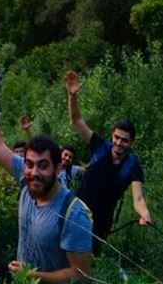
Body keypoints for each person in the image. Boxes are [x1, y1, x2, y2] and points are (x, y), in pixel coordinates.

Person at [0, 70, 93, 284]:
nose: (34, 172)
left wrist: (33, 277)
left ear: (57, 168)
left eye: (43, 166)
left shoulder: (72, 213)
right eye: (30, 164)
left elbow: (82, 276)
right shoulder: (26, 181)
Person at [64, 70, 152, 254]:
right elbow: (76, 120)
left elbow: (138, 198)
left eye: (124, 140)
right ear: (112, 136)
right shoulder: (99, 146)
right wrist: (72, 96)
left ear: (131, 142)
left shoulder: (133, 166)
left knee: (90, 260)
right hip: (76, 209)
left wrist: (144, 213)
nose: (119, 143)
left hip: (101, 223)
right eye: (117, 137)